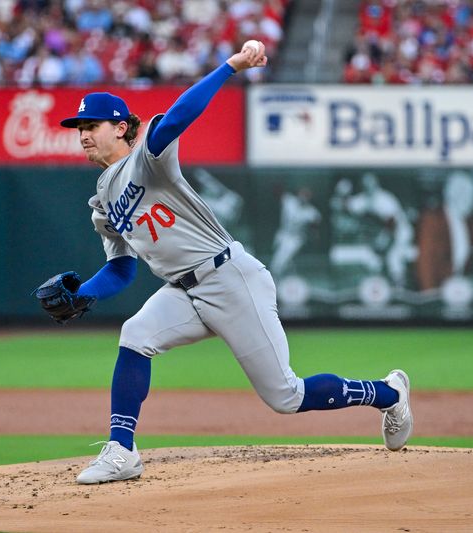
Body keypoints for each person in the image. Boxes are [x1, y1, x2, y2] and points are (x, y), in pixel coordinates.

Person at [50, 40, 413, 485]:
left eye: (92, 124)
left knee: (286, 395)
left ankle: (388, 393)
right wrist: (84, 293)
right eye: (78, 126)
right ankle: (122, 450)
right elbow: (122, 269)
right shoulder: (101, 206)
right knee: (135, 333)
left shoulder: (148, 160)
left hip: (228, 277)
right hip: (183, 291)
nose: (83, 133)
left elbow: (179, 114)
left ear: (122, 126)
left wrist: (231, 66)